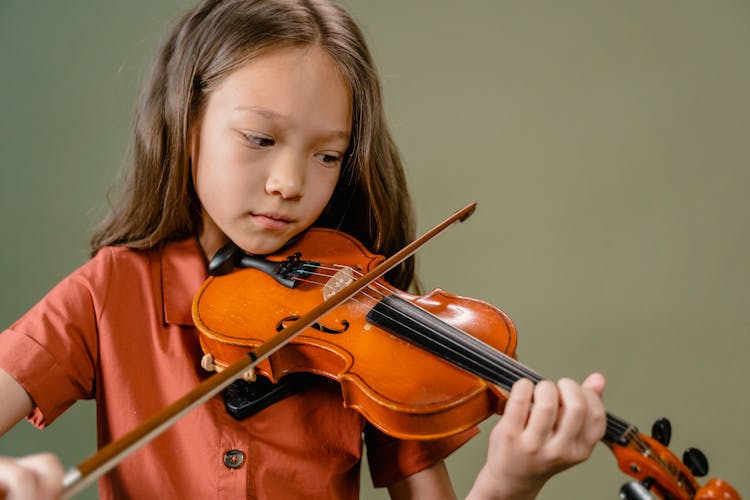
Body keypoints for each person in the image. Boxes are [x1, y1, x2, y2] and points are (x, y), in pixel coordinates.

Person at [0, 1, 606, 498]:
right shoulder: (113, 291)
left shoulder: (370, 324)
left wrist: (510, 481)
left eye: (327, 155)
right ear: (187, 124)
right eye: (260, 138)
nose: (289, 183)